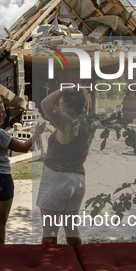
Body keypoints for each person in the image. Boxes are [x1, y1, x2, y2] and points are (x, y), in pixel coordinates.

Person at [0, 96, 45, 244]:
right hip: (0, 179)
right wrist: (37, 133)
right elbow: (24, 148)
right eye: (2, 112)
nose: (5, 115)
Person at [36, 89, 91, 247]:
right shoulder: (85, 125)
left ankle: (50, 264)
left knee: (50, 229)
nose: (58, 109)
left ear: (72, 107)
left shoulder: (68, 125)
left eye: (61, 105)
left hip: (57, 179)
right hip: (77, 180)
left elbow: (45, 104)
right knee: (71, 227)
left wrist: (62, 90)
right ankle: (78, 259)